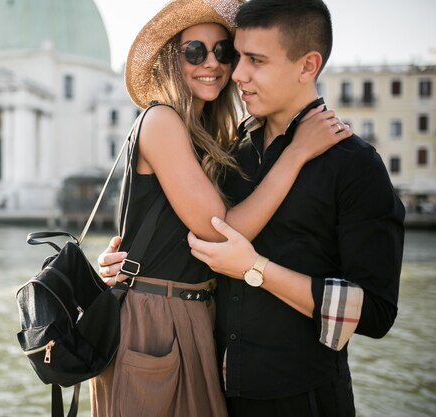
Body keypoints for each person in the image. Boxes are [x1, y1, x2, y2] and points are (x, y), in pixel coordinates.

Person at [91, 1, 352, 417]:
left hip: (192, 315)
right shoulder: (161, 121)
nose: (212, 63)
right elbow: (220, 232)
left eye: (224, 51)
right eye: (195, 51)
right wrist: (298, 152)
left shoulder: (209, 135)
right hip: (156, 321)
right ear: (171, 60)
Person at [183, 0, 405, 416]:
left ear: (307, 66)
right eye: (238, 56)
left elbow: (375, 312)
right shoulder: (231, 153)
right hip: (215, 395)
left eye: (257, 60)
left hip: (305, 400)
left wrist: (255, 268)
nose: (239, 74)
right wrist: (125, 266)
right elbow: (198, 251)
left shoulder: (355, 164)